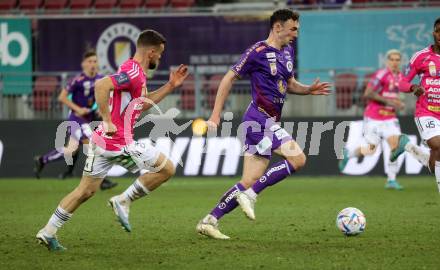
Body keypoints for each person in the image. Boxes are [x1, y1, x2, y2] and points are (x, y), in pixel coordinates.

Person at [36, 29, 189, 251]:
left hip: (101, 143)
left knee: (85, 191)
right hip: (118, 142)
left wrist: (170, 86)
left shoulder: (134, 71)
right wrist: (107, 119)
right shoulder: (134, 73)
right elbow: (101, 85)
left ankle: (48, 231)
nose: (160, 58)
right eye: (160, 53)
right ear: (152, 52)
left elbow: (142, 103)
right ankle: (122, 200)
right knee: (166, 169)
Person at [196, 9, 331, 240]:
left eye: (297, 29)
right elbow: (228, 78)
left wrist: (307, 90)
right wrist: (215, 115)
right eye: (293, 29)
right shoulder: (256, 51)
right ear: (278, 27)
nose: (296, 34)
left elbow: (288, 83)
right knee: (298, 159)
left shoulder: (287, 51)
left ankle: (209, 221)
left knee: (248, 181)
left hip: (267, 121)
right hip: (258, 119)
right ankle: (250, 196)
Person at [338, 49, 429, 190]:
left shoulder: (402, 78)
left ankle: (391, 180)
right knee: (371, 149)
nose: (395, 62)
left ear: (401, 61)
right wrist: (390, 102)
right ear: (387, 61)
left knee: (395, 147)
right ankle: (348, 154)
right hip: (373, 117)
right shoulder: (381, 75)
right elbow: (368, 93)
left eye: (397, 59)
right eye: (392, 59)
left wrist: (399, 104)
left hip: (390, 118)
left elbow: (398, 97)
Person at [33, 50, 117, 190]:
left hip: (90, 119)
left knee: (70, 150)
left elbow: (110, 95)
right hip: (76, 119)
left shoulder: (102, 79)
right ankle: (101, 180)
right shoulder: (77, 80)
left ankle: (42, 160)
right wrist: (77, 109)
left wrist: (101, 107)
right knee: (92, 143)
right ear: (83, 64)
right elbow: (62, 97)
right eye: (89, 61)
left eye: (95, 61)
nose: (92, 64)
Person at [399, 17, 440, 192]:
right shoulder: (421, 57)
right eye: (438, 31)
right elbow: (401, 81)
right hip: (427, 112)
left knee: (435, 159)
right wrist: (412, 86)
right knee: (438, 145)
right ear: (434, 33)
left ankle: (412, 149)